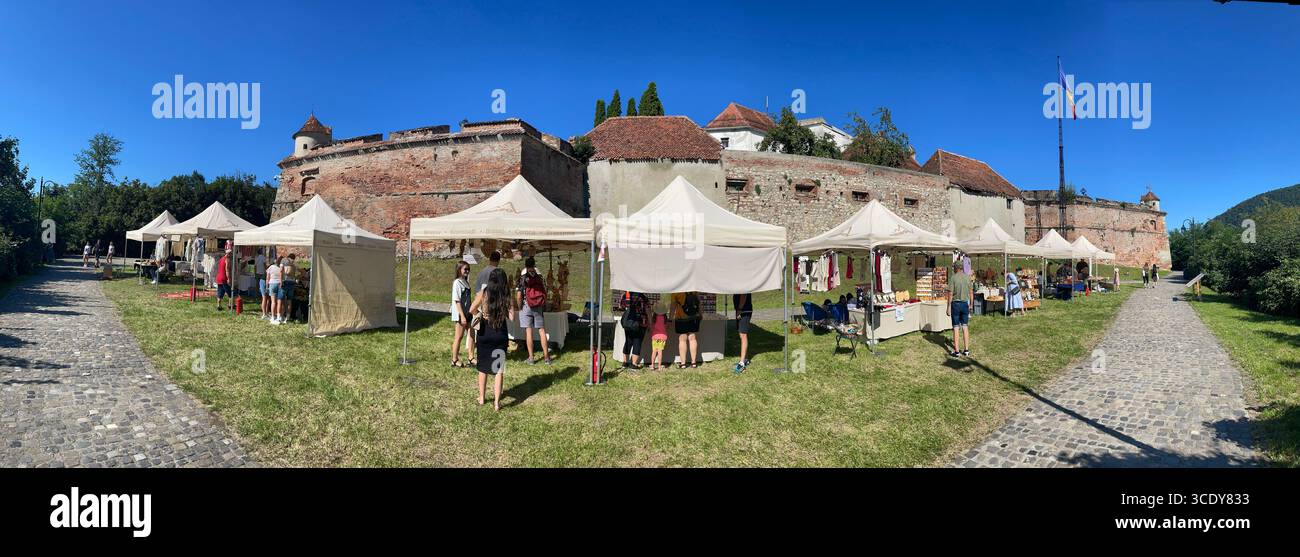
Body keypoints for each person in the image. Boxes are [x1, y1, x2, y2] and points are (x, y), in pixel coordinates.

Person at [469, 268, 514, 411]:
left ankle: (482, 398)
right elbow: (512, 318)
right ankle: (496, 403)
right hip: (500, 333)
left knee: (482, 367)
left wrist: (481, 313)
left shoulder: (484, 292)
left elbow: (471, 309)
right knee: (498, 370)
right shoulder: (506, 295)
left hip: (485, 333)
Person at [516, 256, 553, 365]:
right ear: (534, 265)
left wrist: (519, 307)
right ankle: (547, 357)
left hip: (526, 306)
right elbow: (545, 292)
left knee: (529, 331)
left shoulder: (523, 278)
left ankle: (531, 358)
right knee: (542, 331)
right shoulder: (540, 278)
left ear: (526, 266)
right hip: (538, 306)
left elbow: (518, 296)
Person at [450, 260, 475, 368]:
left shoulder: (465, 282)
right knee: (459, 337)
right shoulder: (457, 282)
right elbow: (457, 301)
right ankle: (454, 360)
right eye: (465, 269)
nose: (467, 271)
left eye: (468, 269)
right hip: (461, 314)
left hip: (468, 313)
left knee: (472, 334)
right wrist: (462, 316)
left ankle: (471, 357)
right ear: (459, 269)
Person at [947, 259, 973, 358]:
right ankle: (966, 350)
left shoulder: (953, 278)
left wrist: (948, 307)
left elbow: (950, 294)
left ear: (956, 268)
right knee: (965, 326)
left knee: (956, 327)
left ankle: (957, 351)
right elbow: (971, 292)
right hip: (965, 304)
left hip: (956, 304)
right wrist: (971, 305)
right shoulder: (967, 278)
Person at [618, 291, 648, 369]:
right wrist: (650, 322)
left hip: (628, 322)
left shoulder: (625, 295)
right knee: (637, 342)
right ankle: (634, 364)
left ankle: (625, 362)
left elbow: (621, 307)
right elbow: (647, 309)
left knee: (628, 341)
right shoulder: (642, 296)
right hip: (640, 322)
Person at [672, 291, 702, 368]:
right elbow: (699, 303)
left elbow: (673, 306)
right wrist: (700, 314)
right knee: (692, 338)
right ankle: (694, 363)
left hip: (681, 318)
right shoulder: (694, 290)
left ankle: (683, 364)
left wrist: (669, 319)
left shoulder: (676, 291)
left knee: (682, 339)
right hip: (694, 317)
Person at [732, 292, 754, 373]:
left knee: (743, 335)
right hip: (741, 310)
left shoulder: (744, 285)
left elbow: (743, 295)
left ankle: (742, 363)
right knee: (742, 334)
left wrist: (740, 309)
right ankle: (745, 359)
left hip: (744, 311)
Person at [648, 299, 669, 371]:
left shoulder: (654, 318)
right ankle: (659, 366)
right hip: (663, 336)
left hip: (655, 336)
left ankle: (652, 365)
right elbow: (666, 326)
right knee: (660, 351)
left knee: (654, 351)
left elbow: (651, 326)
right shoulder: (665, 318)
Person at [266, 256, 283, 324]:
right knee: (279, 301)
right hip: (279, 284)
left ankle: (273, 317)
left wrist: (267, 286)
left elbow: (267, 277)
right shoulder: (281, 267)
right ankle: (279, 316)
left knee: (273, 302)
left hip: (272, 284)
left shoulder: (271, 267)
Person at [281, 253, 298, 322]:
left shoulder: (284, 260)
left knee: (282, 299)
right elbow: (302, 272)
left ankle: (282, 316)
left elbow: (281, 270)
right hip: (292, 282)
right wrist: (296, 277)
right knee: (289, 301)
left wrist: (281, 280)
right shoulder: (294, 263)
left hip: (285, 281)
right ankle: (288, 317)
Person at [255, 250, 269, 320]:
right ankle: (262, 297)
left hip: (257, 273)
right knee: (263, 286)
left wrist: (255, 273)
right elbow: (264, 265)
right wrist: (268, 270)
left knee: (257, 286)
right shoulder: (263, 257)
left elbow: (255, 266)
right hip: (263, 273)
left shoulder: (256, 258)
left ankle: (257, 296)